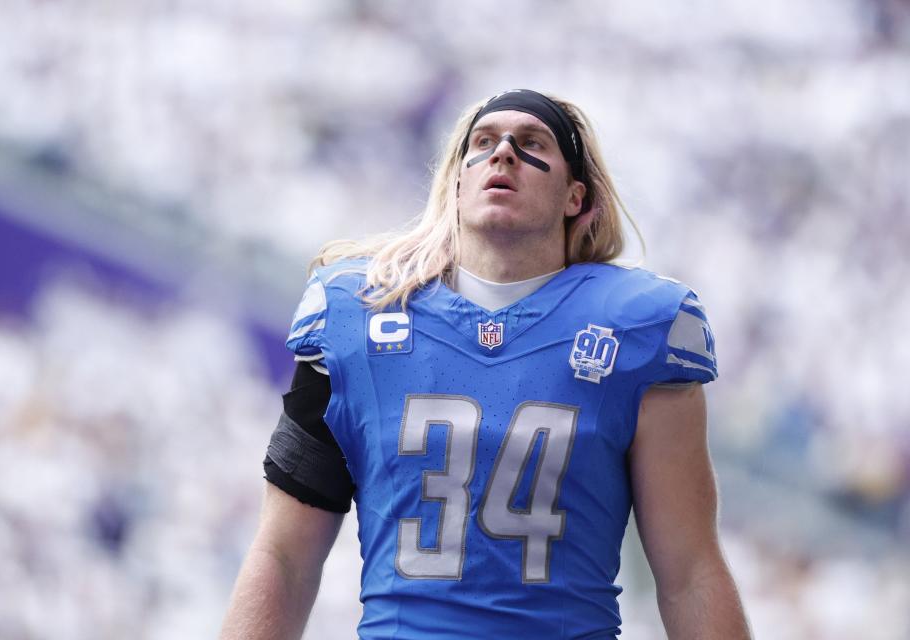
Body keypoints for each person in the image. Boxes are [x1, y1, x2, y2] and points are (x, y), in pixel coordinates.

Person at [220, 89, 752, 639]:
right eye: (483, 142)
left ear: (576, 196)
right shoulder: (356, 315)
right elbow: (284, 554)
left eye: (530, 143)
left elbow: (689, 570)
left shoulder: (639, 328)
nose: (502, 154)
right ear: (456, 182)